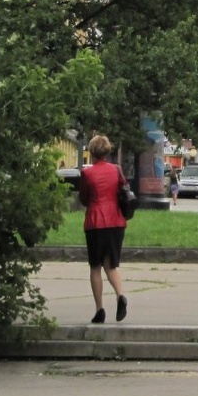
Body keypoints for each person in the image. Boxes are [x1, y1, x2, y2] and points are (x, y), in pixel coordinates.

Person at [77, 134, 129, 324]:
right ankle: (120, 295)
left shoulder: (87, 173)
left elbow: (83, 199)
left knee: (95, 267)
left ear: (91, 152)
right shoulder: (117, 170)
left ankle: (100, 310)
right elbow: (125, 191)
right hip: (116, 221)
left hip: (96, 222)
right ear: (107, 151)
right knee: (111, 265)